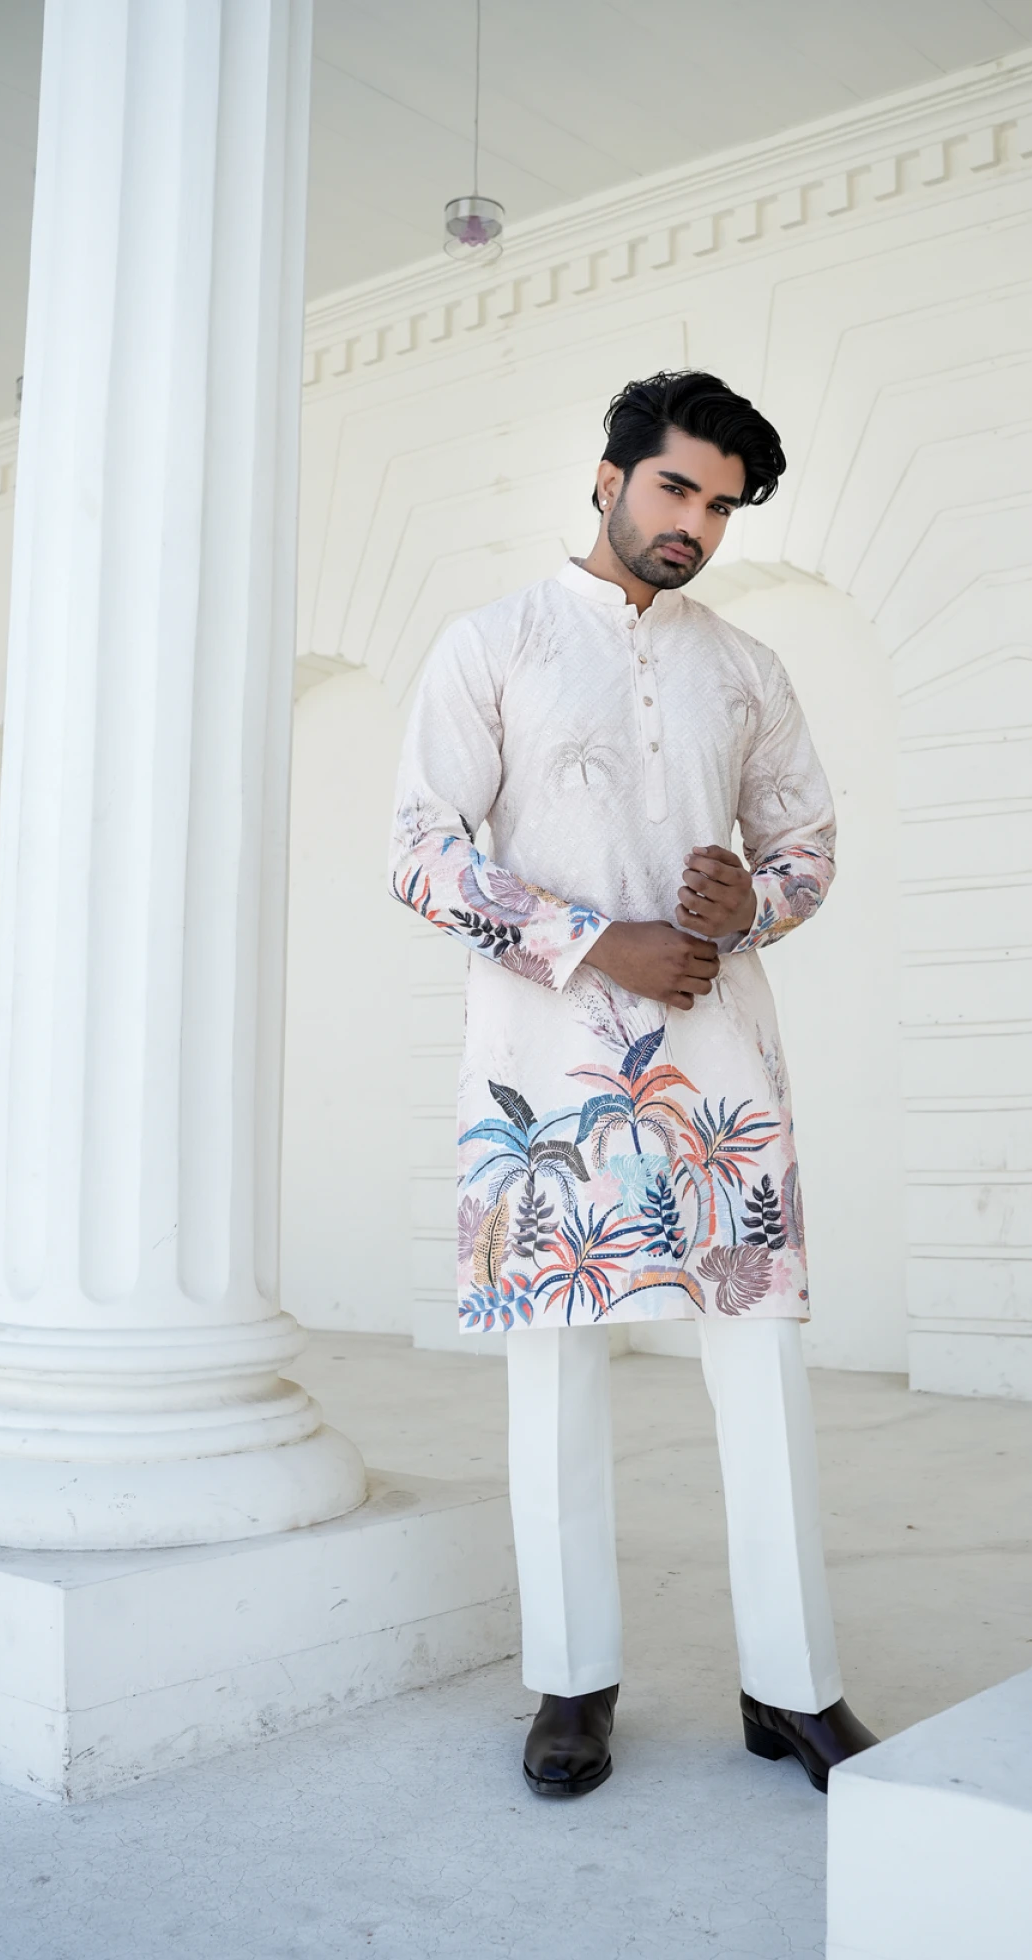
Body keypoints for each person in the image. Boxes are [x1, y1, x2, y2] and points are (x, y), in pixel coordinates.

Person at [389, 369, 876, 1798]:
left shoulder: (745, 668)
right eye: (676, 489)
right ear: (608, 479)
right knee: (554, 1369)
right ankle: (572, 1684)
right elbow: (420, 853)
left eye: (721, 508)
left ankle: (793, 1690)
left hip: (719, 1068)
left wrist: (752, 904)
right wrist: (603, 939)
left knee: (760, 1360)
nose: (695, 526)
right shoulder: (495, 645)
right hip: (547, 1076)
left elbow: (807, 844)